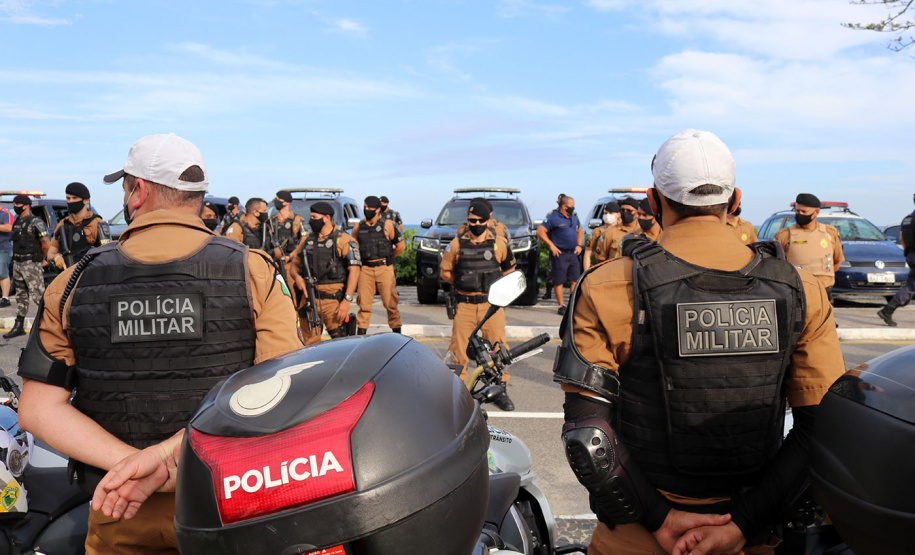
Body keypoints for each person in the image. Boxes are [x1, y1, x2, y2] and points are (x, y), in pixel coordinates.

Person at [553, 129, 845, 555]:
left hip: (638, 537)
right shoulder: (801, 289)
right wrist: (742, 526)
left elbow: (587, 433)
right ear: (734, 199)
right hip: (750, 538)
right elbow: (823, 430)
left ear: (654, 201)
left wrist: (661, 520)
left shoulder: (607, 286)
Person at [16, 133, 303, 555]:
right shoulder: (253, 271)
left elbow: (38, 409)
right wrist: (164, 464)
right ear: (197, 196)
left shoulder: (72, 281)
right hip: (234, 509)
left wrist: (135, 467)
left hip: (119, 505)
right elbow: (282, 396)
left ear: (138, 191)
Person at [440, 200, 516, 411]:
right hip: (465, 305)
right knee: (458, 350)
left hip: (491, 305)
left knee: (498, 347)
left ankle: (501, 390)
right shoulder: (456, 244)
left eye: (479, 221)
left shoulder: (499, 243)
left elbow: (510, 270)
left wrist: (500, 289)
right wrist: (462, 281)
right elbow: (445, 272)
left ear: (487, 221)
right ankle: (456, 392)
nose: (475, 224)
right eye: (471, 220)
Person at [287, 201, 361, 344]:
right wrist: (297, 278)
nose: (311, 221)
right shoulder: (306, 240)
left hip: (333, 300)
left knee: (341, 344)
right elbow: (294, 265)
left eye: (314, 217)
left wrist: (346, 300)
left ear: (326, 218)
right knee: (309, 345)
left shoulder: (343, 240)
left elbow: (355, 270)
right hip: (309, 298)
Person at [774, 193, 844, 299]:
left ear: (816, 212)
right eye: (797, 211)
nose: (799, 214)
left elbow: (836, 262)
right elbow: (775, 265)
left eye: (804, 211)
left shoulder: (830, 232)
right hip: (796, 292)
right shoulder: (784, 235)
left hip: (823, 292)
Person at [353, 195, 405, 334]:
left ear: (377, 210)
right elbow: (354, 246)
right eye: (365, 207)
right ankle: (361, 337)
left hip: (384, 268)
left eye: (370, 207)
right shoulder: (359, 227)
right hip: (366, 269)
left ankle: (397, 336)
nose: (366, 210)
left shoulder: (388, 225)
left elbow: (401, 246)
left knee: (390, 304)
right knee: (363, 305)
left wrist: (389, 259)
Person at [3, 194, 50, 339]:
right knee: (20, 295)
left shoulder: (35, 222)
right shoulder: (17, 220)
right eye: (15, 204)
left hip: (31, 263)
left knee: (38, 296)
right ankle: (19, 326)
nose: (16, 206)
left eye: (18, 204)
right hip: (18, 262)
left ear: (26, 205)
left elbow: (45, 243)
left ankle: (49, 325)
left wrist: (43, 259)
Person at [47, 182, 111, 269]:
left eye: (74, 198)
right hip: (66, 274)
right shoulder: (62, 224)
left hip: (90, 273)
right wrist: (56, 257)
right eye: (68, 198)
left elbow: (107, 255)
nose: (70, 201)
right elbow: (51, 252)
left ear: (86, 200)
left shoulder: (97, 223)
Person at [537, 194, 582, 315]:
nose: (573, 208)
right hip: (560, 254)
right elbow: (540, 231)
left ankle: (572, 304)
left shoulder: (574, 217)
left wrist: (579, 245)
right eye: (571, 206)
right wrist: (551, 245)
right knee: (559, 280)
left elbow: (580, 229)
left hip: (573, 253)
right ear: (564, 206)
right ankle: (561, 305)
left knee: (575, 279)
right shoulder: (553, 217)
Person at [877, 195, 915, 326]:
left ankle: (888, 310)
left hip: (911, 254)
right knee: (911, 287)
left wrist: (908, 252)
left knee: (911, 286)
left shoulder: (908, 219)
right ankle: (888, 310)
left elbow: (902, 238)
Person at [268, 190, 306, 263]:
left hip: (291, 260)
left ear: (287, 202)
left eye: (279, 199)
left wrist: (290, 256)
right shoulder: (271, 221)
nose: (276, 201)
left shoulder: (297, 220)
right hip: (274, 260)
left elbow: (303, 241)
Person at [599, 197, 641, 262]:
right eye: (623, 210)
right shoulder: (609, 232)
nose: (625, 213)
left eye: (629, 211)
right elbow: (601, 259)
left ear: (637, 213)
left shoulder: (642, 232)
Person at [584, 201, 620, 272]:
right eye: (605, 213)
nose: (608, 216)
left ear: (618, 214)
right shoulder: (598, 231)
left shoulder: (624, 231)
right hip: (601, 266)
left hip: (617, 267)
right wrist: (586, 272)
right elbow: (588, 252)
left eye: (611, 213)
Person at [0, 203, 13, 308]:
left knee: (2, 273)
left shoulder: (6, 214)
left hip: (3, 248)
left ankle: (5, 298)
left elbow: (9, 228)